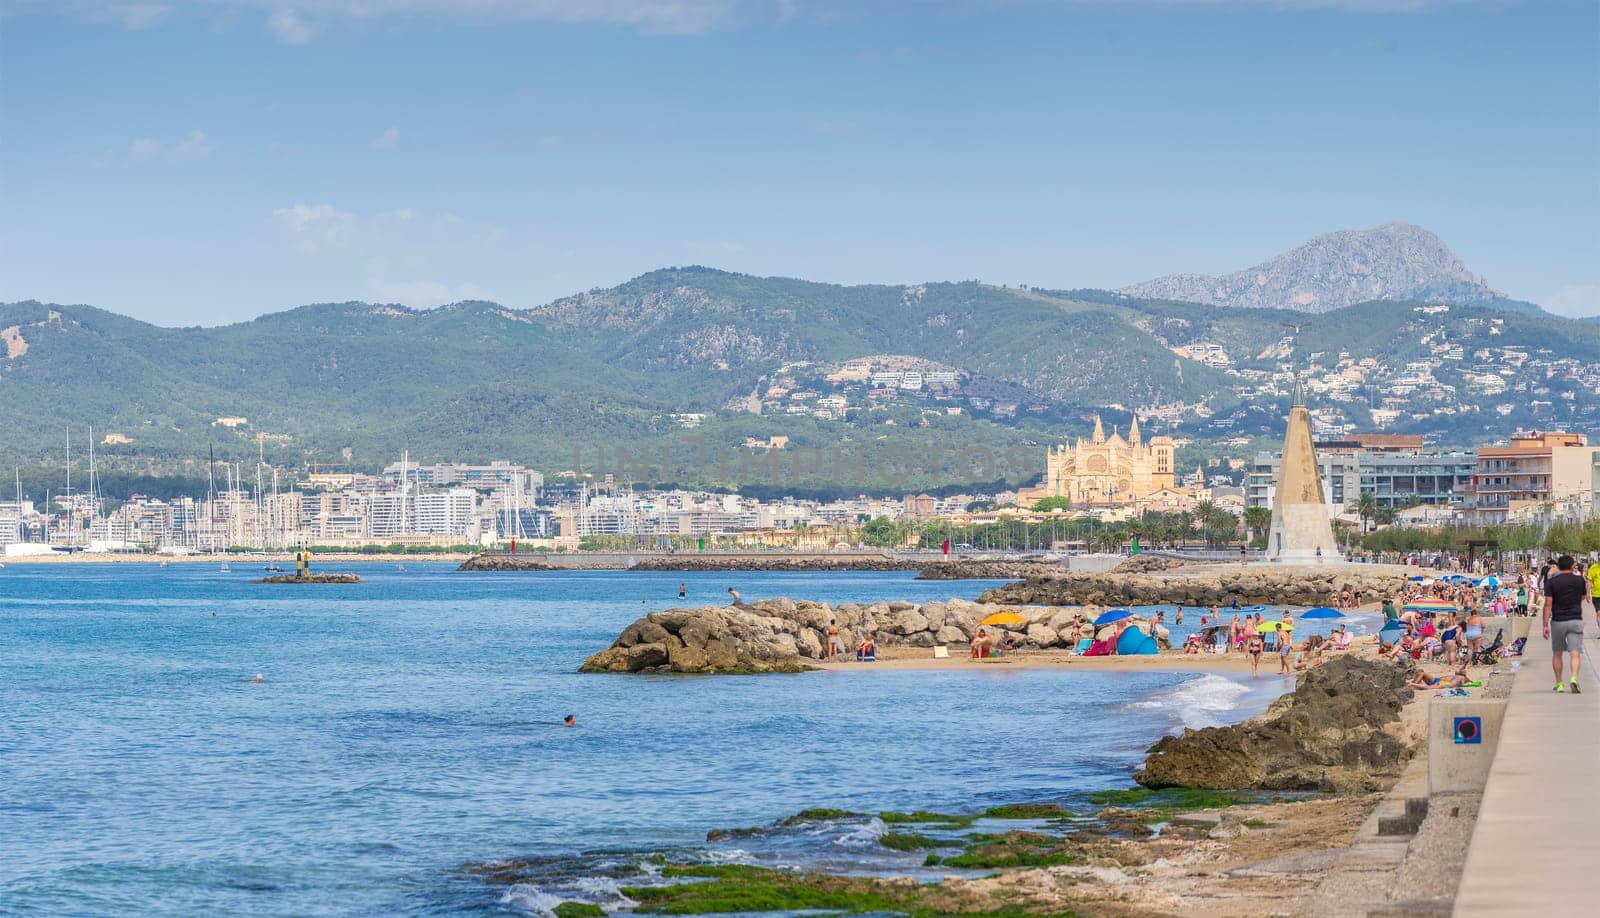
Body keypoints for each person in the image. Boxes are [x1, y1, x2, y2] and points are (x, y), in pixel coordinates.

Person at [1543, 555, 1589, 693]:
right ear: (1571, 566)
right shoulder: (1579, 580)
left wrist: (1545, 625)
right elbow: (1582, 596)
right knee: (1575, 652)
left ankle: (1560, 683)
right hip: (1575, 619)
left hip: (1558, 621)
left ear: (1559, 566)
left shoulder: (1552, 582)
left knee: (1557, 653)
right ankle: (1574, 678)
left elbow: (1547, 604)